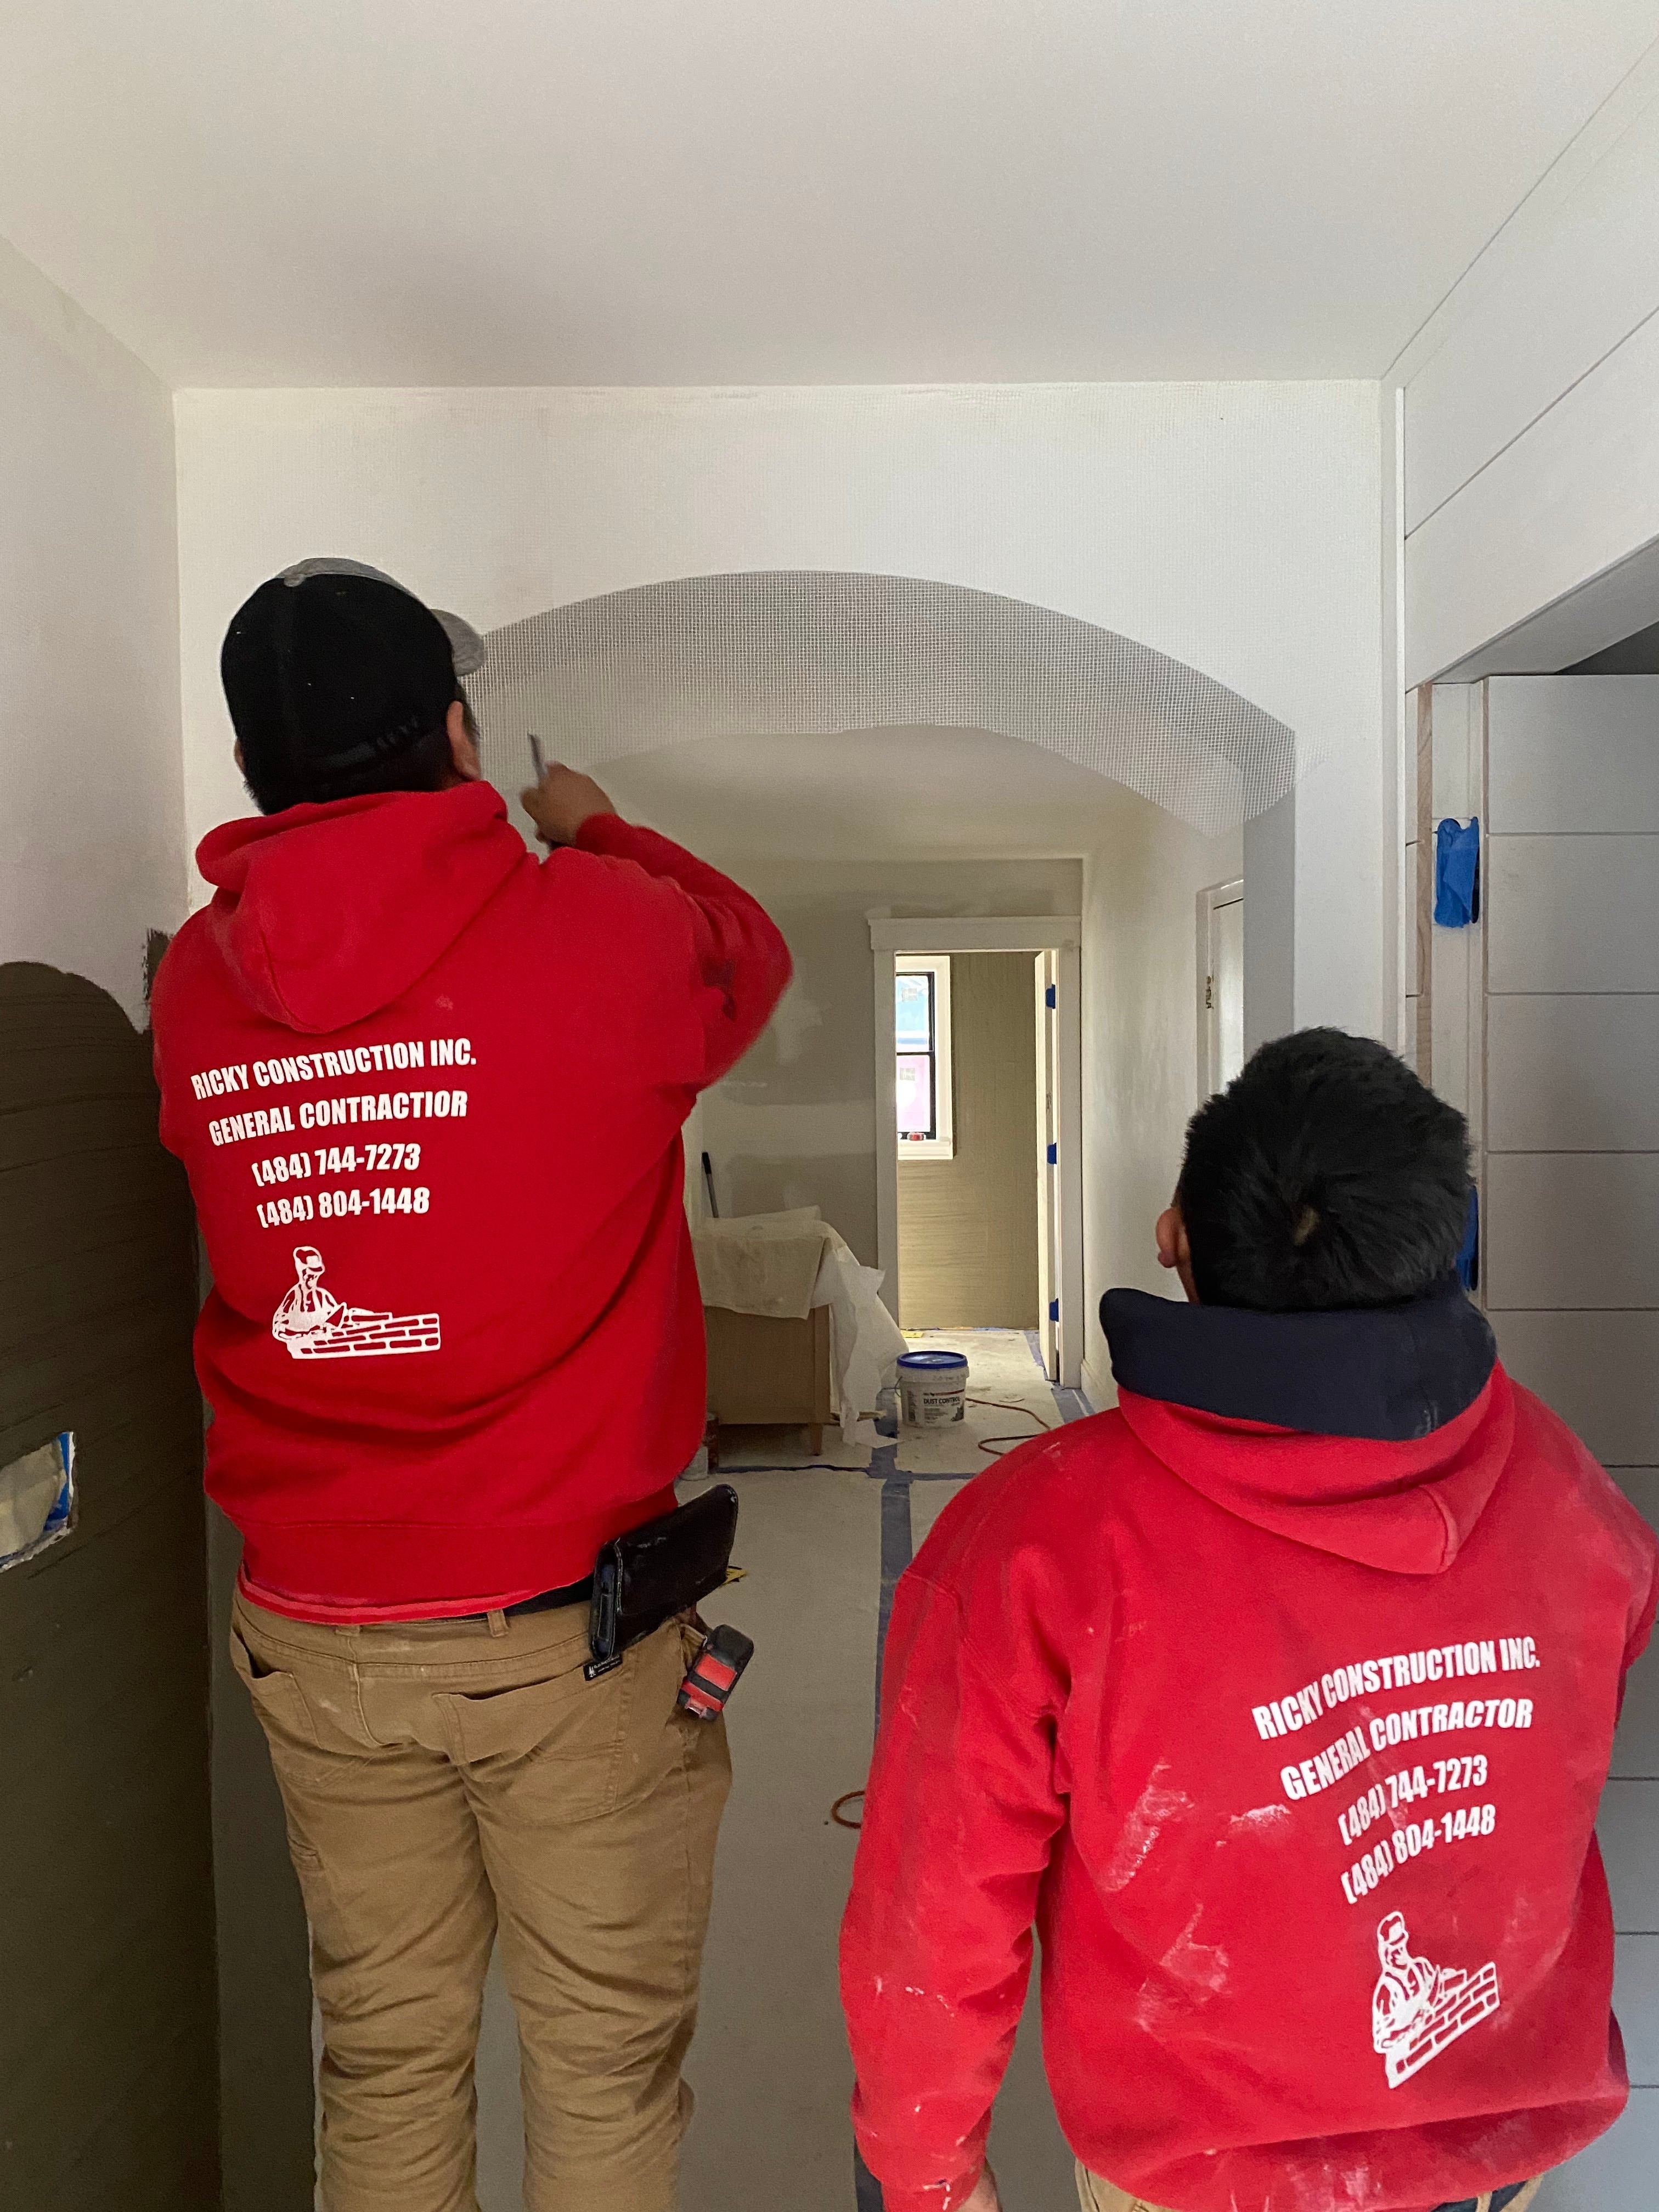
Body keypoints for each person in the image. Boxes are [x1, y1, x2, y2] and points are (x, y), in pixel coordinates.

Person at [150, 558, 791, 2212]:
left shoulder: (197, 987)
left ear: (252, 771)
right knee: (598, 2069)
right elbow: (751, 954)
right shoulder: (605, 926)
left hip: (319, 1632)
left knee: (384, 2055)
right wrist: (600, 827)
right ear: (456, 733)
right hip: (565, 1629)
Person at [840, 1028, 1658, 2212]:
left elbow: (936, 1912)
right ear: (1447, 1243)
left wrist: (930, 2176)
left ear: (1174, 1236)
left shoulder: (1038, 1541)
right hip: (1497, 2162)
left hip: (1204, 2185)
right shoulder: (1566, 1490)